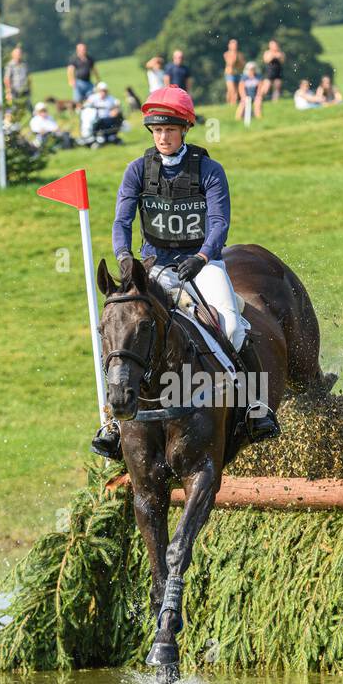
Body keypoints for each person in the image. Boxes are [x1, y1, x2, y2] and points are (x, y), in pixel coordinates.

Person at [92, 85, 279, 460]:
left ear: (185, 129)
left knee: (230, 325)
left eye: (170, 130)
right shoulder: (136, 171)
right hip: (155, 267)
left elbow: (219, 222)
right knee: (122, 329)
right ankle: (114, 423)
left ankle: (257, 409)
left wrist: (205, 255)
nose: (162, 137)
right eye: (157, 130)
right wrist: (124, 256)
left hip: (202, 265)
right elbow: (121, 220)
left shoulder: (209, 170)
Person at [223, 39, 244, 105]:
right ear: (229, 46)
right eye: (233, 45)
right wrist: (234, 55)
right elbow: (230, 63)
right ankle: (230, 104)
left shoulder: (240, 54)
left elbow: (242, 64)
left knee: (236, 91)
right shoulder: (226, 54)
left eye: (235, 45)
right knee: (231, 91)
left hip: (238, 74)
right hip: (229, 74)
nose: (234, 46)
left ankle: (233, 104)